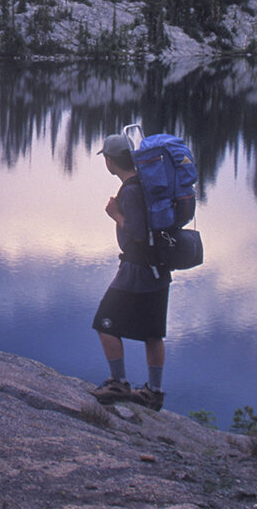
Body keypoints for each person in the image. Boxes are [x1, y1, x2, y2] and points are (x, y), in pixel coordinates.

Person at [88, 132, 170, 411]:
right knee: (153, 332)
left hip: (136, 270)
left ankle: (118, 383)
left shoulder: (131, 190)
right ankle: (154, 391)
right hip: (158, 269)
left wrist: (115, 214)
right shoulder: (145, 184)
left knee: (104, 322)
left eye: (106, 159)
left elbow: (136, 232)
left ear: (110, 161)